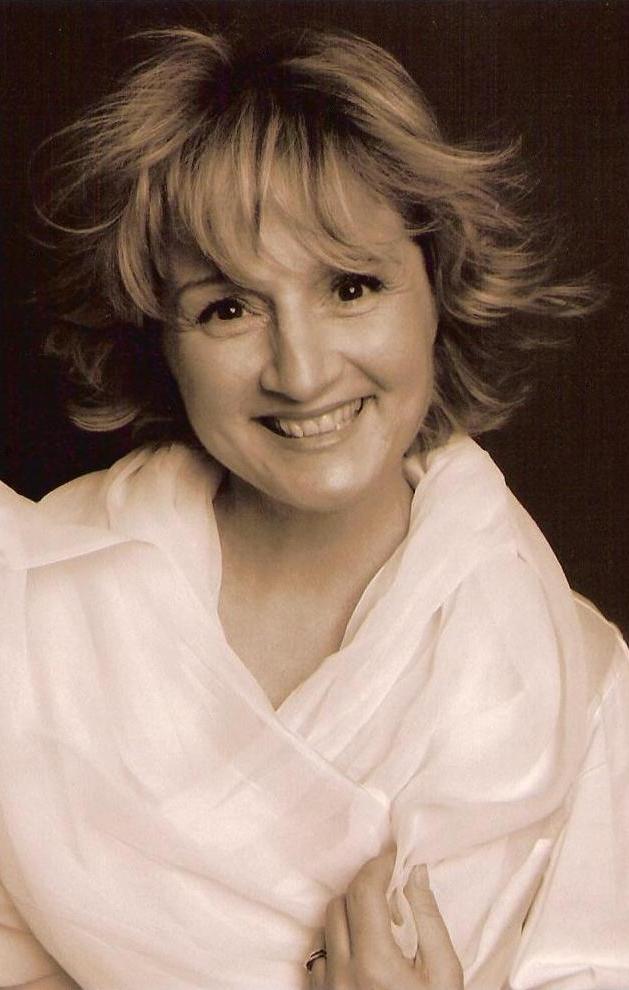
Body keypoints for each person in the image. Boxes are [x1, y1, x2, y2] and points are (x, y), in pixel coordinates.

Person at [0, 25, 627, 990]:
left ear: (438, 288)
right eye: (227, 308)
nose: (300, 371)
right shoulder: (23, 612)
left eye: (349, 286)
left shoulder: (580, 693)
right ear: (160, 339)